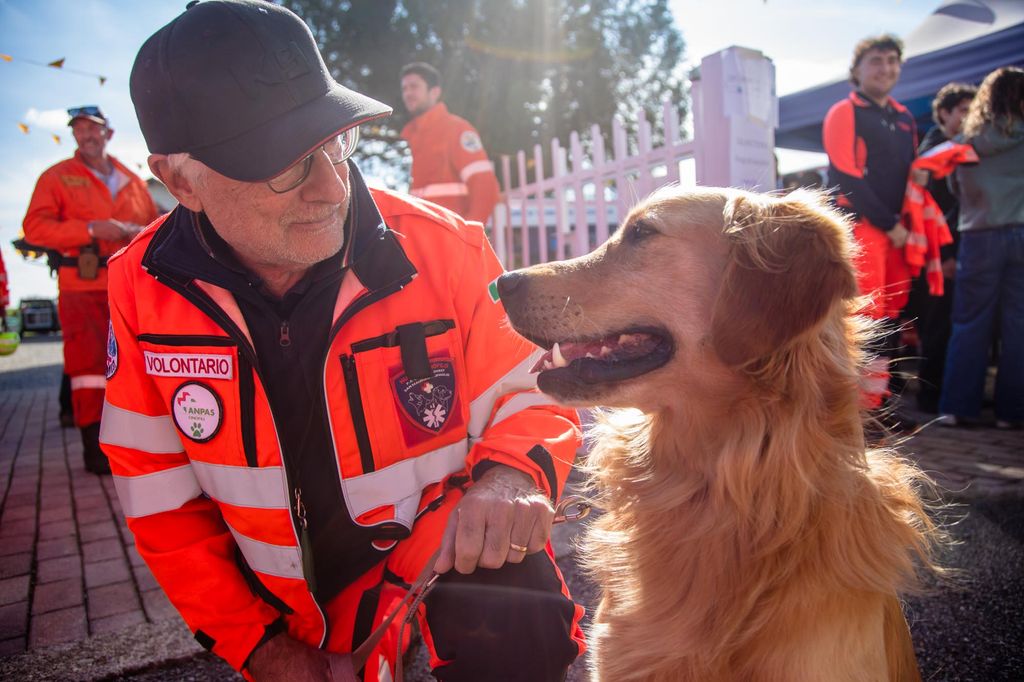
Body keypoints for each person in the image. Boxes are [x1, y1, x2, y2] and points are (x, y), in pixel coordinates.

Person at [102, 2, 585, 681]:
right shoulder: (138, 288)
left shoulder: (446, 248)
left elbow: (530, 395)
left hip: (431, 561)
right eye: (286, 165)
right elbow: (159, 501)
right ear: (182, 182)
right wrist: (261, 649)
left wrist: (510, 479)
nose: (333, 188)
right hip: (283, 615)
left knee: (515, 602)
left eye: (336, 142)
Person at [23, 105, 158, 473]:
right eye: (79, 129)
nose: (86, 135)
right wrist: (89, 229)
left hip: (129, 286)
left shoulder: (132, 180)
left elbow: (154, 227)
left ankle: (139, 444)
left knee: (136, 362)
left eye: (92, 128)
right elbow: (34, 228)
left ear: (107, 133)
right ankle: (95, 449)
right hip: (81, 288)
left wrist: (135, 232)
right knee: (88, 368)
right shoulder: (57, 177)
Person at [823, 34, 918, 417]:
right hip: (863, 229)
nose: (885, 68)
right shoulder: (844, 111)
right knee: (864, 317)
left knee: (892, 317)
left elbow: (911, 177)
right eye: (876, 60)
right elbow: (846, 176)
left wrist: (907, 225)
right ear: (857, 69)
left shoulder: (905, 117)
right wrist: (888, 223)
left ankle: (876, 403)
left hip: (898, 234)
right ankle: (853, 409)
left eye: (892, 60)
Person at [939, 66, 1024, 429]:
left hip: (978, 234)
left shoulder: (966, 143)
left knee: (970, 322)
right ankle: (1012, 413)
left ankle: (958, 407)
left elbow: (955, 189)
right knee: (1019, 324)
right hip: (1021, 232)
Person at [911, 83, 977, 413]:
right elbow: (930, 210)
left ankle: (944, 391)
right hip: (936, 254)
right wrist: (946, 256)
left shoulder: (958, 148)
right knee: (938, 326)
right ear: (943, 113)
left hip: (948, 250)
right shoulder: (934, 153)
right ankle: (930, 395)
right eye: (963, 110)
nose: (969, 117)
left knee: (949, 323)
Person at [400, 62, 501, 225]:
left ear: (435, 92)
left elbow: (485, 187)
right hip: (415, 233)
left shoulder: (457, 129)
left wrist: (468, 234)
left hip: (449, 234)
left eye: (414, 87)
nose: (408, 93)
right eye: (404, 88)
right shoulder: (407, 136)